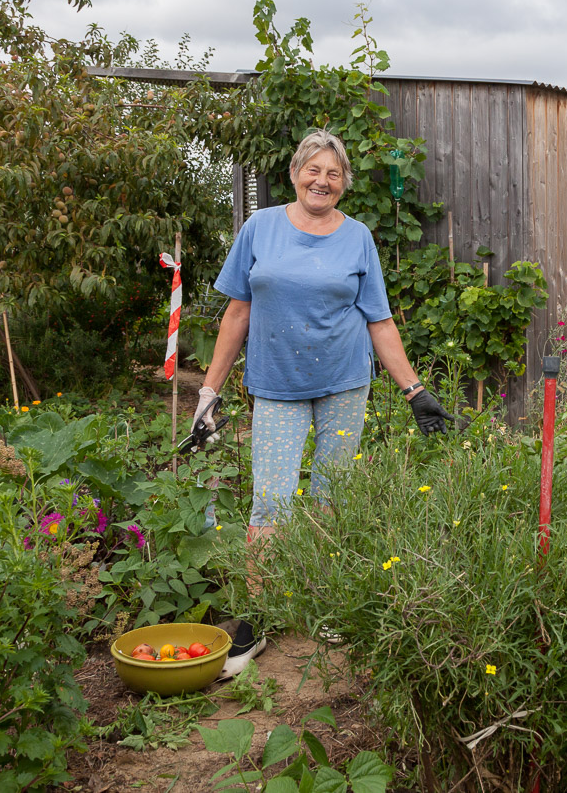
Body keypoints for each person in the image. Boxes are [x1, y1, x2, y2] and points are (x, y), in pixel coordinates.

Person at [192, 128, 452, 677]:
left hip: (343, 382)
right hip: (276, 384)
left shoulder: (357, 237)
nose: (322, 181)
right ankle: (260, 618)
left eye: (334, 174)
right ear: (294, 173)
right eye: (314, 169)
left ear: (344, 184)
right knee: (270, 502)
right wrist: (209, 391)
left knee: (332, 495)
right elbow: (237, 313)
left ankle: (328, 604)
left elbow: (378, 320)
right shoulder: (260, 228)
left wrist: (415, 390)